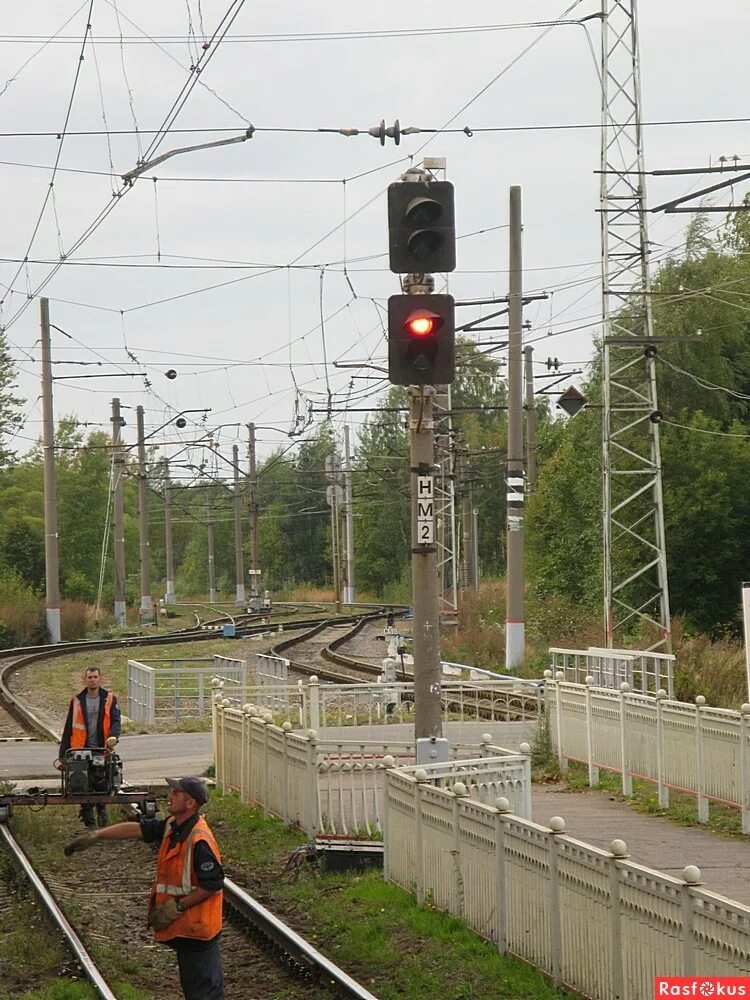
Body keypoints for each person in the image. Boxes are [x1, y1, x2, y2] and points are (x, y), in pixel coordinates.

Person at [64, 776, 224, 1000]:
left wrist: (176, 906)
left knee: (204, 993)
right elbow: (137, 830)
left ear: (191, 803)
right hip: (189, 928)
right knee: (196, 990)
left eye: (176, 793)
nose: (169, 796)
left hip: (199, 930)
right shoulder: (173, 825)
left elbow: (213, 884)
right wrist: (97, 836)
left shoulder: (199, 839)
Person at [59, 666, 122, 830]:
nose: (92, 679)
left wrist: (114, 737)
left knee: (101, 783)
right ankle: (90, 824)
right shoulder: (77, 700)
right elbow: (69, 727)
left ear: (100, 679)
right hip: (80, 749)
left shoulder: (109, 698)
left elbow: (116, 721)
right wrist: (63, 754)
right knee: (80, 785)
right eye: (90, 677)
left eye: (95, 677)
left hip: (101, 748)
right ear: (85, 679)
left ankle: (101, 811)